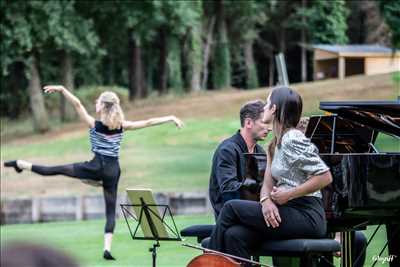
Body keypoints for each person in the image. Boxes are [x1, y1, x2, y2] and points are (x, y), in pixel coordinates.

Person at [3, 85, 183, 261]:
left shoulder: (94, 124)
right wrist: (171, 117)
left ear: (103, 106)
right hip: (113, 171)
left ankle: (20, 164)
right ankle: (107, 248)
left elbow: (77, 104)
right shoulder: (122, 126)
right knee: (110, 211)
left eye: (97, 102)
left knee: (54, 170)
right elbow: (148, 122)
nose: (95, 104)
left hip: (95, 167)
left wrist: (62, 90)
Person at [207, 86, 333, 266]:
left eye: (267, 104)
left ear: (274, 109)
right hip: (287, 212)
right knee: (234, 235)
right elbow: (267, 184)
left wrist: (289, 194)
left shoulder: (293, 138)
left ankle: (206, 259)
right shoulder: (273, 145)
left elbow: (325, 176)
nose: (265, 108)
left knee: (230, 208)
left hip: (307, 215)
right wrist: (265, 201)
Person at [209, 100, 269, 218]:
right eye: (264, 122)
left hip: (253, 212)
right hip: (230, 217)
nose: (269, 128)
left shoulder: (260, 151)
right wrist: (261, 188)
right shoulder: (227, 150)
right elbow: (228, 189)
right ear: (248, 123)